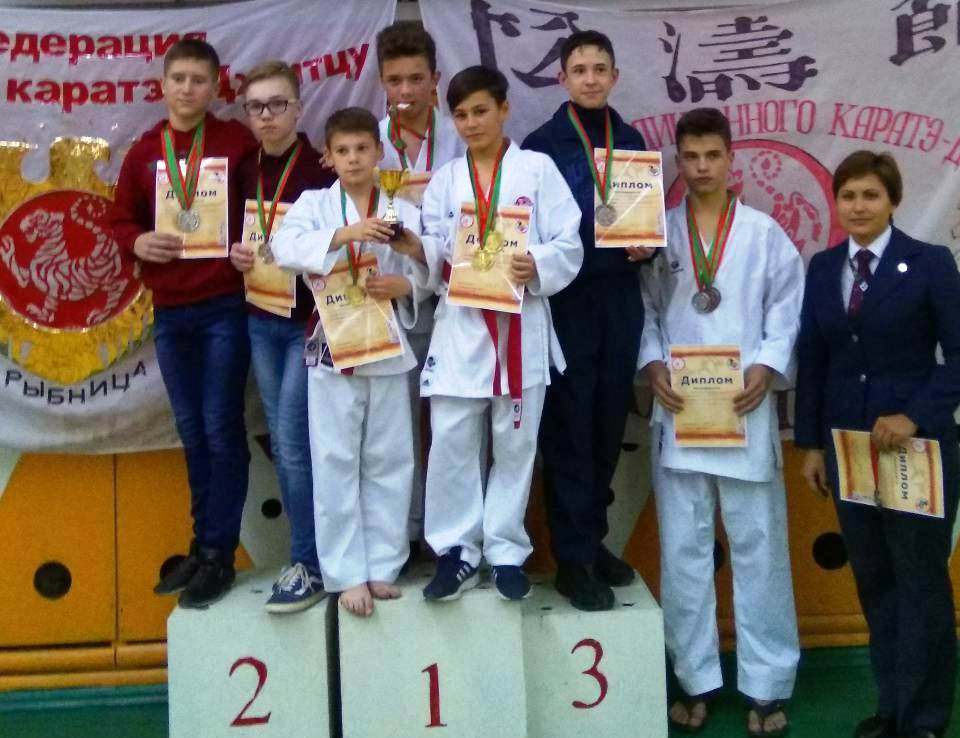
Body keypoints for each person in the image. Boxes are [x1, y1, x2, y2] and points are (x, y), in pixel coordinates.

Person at [638, 108, 802, 735]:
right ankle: (694, 678)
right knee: (684, 550)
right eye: (691, 157)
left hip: (743, 407)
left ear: (732, 158)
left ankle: (767, 686)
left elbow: (787, 309)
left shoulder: (763, 234)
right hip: (682, 409)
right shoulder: (658, 234)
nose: (702, 167)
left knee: (761, 547)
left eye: (713, 155)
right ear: (678, 161)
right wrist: (652, 362)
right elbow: (645, 309)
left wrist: (769, 363)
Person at [795, 151, 960, 738]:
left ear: (893, 200)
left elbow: (958, 357)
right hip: (849, 452)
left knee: (920, 581)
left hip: (918, 451)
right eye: (848, 195)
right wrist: (810, 445)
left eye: (870, 195)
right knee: (874, 580)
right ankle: (890, 709)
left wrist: (916, 415)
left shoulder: (930, 263)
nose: (858, 206)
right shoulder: (823, 268)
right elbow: (813, 360)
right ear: (836, 202)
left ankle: (925, 718)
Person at [411, 65, 582, 602]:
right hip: (461, 329)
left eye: (481, 111)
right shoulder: (445, 180)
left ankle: (506, 549)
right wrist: (417, 250)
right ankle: (456, 550)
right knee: (452, 441)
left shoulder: (538, 170)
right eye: (460, 114)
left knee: (515, 443)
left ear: (504, 109)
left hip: (520, 324)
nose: (471, 123)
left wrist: (539, 262)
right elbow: (434, 247)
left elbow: (569, 239)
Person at [110, 39, 256, 609]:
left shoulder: (236, 142)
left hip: (225, 306)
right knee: (192, 431)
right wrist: (136, 240)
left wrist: (251, 245)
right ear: (163, 85)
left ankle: (219, 553)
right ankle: (204, 544)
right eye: (179, 79)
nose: (188, 88)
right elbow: (120, 218)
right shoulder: (146, 151)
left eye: (199, 80)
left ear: (217, 87)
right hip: (170, 310)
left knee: (220, 427)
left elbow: (265, 203)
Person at [271, 107, 425, 618]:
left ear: (379, 152)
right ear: (329, 157)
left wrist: (406, 283)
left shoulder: (400, 208)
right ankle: (344, 572)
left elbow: (432, 264)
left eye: (362, 149)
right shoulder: (314, 205)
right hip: (334, 343)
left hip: (386, 340)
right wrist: (344, 234)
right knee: (335, 457)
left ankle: (383, 563)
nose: (354, 158)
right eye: (343, 151)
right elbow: (284, 248)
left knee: (390, 455)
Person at [522, 29, 653, 612]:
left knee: (607, 422)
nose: (591, 79)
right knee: (570, 426)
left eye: (601, 69)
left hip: (620, 297)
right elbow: (525, 226)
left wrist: (647, 248)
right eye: (580, 70)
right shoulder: (540, 145)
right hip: (567, 300)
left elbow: (646, 221)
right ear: (563, 78)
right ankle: (571, 559)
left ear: (615, 76)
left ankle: (593, 542)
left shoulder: (632, 141)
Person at [229, 61, 335, 613]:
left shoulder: (321, 169)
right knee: (283, 440)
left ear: (298, 107)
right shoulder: (243, 169)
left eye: (277, 104)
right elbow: (232, 234)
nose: (266, 116)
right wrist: (235, 252)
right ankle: (311, 557)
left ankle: (309, 562)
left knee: (293, 444)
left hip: (307, 323)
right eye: (256, 107)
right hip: (260, 316)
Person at [375, 20, 465, 558]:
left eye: (415, 79)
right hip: (392, 298)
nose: (405, 91)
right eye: (394, 81)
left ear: (435, 79)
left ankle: (456, 539)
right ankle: (407, 536)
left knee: (457, 427)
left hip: (456, 297)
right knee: (397, 428)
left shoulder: (462, 135)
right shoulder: (368, 142)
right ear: (381, 83)